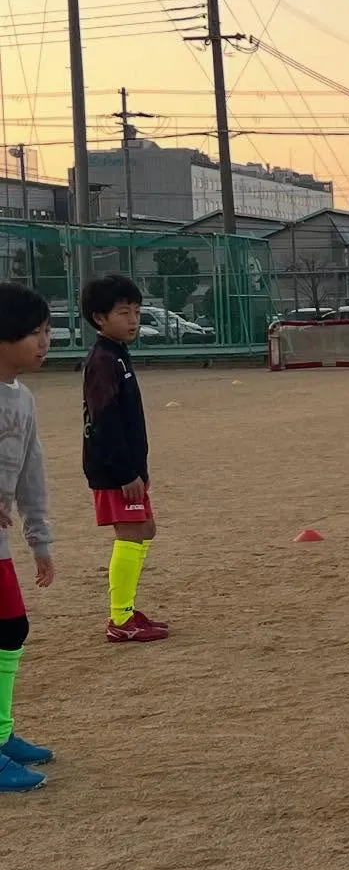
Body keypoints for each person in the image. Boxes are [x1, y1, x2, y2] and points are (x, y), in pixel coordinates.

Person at [81, 274, 167, 642]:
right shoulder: (103, 360)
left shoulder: (118, 353)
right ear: (100, 318)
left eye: (136, 311)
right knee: (131, 533)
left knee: (145, 529)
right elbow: (105, 422)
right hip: (115, 469)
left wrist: (141, 468)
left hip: (129, 466)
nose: (133, 319)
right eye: (123, 312)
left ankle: (127, 609)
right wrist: (126, 472)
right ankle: (120, 620)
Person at [0, 283, 56, 791]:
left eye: (46, 331)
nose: (46, 340)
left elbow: (30, 474)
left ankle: (1, 734)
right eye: (35, 332)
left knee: (11, 629)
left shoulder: (24, 399)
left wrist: (40, 540)